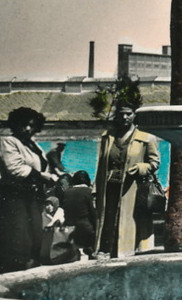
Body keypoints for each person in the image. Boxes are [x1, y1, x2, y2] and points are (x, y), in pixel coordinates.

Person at [0, 107, 60, 273]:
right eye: (24, 125)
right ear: (15, 125)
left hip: (32, 197)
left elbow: (42, 165)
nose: (28, 129)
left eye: (32, 125)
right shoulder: (8, 141)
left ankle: (28, 272)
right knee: (17, 239)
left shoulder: (33, 144)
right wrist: (42, 176)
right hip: (15, 198)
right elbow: (15, 169)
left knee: (34, 237)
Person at [94, 103, 160, 258]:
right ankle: (105, 249)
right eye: (121, 114)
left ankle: (126, 250)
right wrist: (95, 189)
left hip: (132, 188)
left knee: (127, 218)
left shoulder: (146, 138)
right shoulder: (108, 137)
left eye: (128, 113)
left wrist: (140, 167)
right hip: (109, 186)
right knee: (108, 218)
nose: (124, 117)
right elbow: (101, 165)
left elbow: (155, 162)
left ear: (134, 115)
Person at [60, 170, 97, 259]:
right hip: (85, 228)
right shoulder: (88, 191)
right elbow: (93, 213)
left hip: (69, 228)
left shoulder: (67, 192)